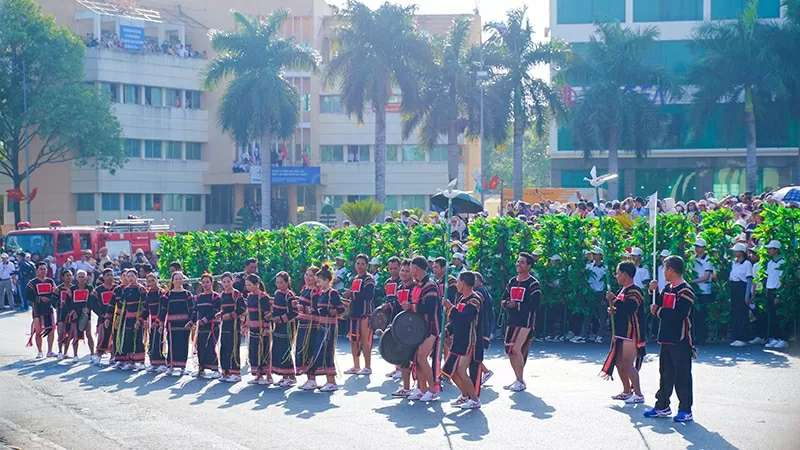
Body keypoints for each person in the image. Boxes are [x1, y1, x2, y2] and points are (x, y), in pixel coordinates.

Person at [644, 255, 696, 423]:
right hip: (666, 337)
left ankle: (685, 409)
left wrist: (658, 311)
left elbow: (679, 314)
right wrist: (653, 292)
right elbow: (658, 302)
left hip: (680, 338)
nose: (664, 272)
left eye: (665, 268)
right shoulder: (668, 287)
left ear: (671, 270)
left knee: (682, 376)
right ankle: (662, 405)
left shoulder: (685, 291)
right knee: (665, 374)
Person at [601, 262, 646, 404]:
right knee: (619, 363)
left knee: (627, 363)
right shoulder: (623, 290)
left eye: (618, 273)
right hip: (621, 332)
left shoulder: (635, 291)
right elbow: (621, 309)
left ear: (625, 274)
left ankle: (638, 394)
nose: (616, 276)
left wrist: (614, 300)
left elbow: (630, 308)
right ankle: (626, 391)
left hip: (631, 332)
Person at [500, 252, 542, 392]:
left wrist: (517, 305)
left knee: (516, 348)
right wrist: (506, 303)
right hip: (512, 320)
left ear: (529, 266)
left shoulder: (533, 284)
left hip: (526, 321)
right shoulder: (512, 281)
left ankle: (520, 380)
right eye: (518, 261)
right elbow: (504, 297)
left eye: (522, 262)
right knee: (509, 350)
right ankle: (517, 379)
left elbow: (535, 305)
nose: (519, 264)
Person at [442, 271, 483, 410]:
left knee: (460, 370)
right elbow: (455, 321)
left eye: (458, 281)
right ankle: (465, 395)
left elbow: (464, 319)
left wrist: (449, 307)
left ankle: (475, 400)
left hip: (469, 341)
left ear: (464, 283)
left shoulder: (475, 300)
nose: (457, 284)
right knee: (450, 371)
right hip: (458, 340)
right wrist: (448, 330)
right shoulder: (461, 299)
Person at [405, 256, 442, 402]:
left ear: (416, 269)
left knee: (421, 357)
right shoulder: (417, 285)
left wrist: (412, 306)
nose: (409, 271)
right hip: (418, 328)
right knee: (416, 358)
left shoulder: (430, 286)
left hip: (431, 327)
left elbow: (429, 307)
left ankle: (432, 390)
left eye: (411, 268)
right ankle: (422, 388)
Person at [303, 265, 346, 392]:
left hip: (330, 327)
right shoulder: (322, 294)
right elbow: (320, 309)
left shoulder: (333, 293)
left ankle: (331, 381)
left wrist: (328, 311)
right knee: (321, 352)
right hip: (322, 327)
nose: (318, 284)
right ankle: (327, 380)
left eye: (319, 281)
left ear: (327, 280)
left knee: (327, 352)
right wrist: (314, 311)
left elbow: (341, 309)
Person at [108, 269, 148, 371]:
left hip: (138, 317)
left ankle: (142, 361)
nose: (130, 278)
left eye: (132, 276)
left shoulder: (141, 289)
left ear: (136, 276)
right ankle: (131, 361)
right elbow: (122, 305)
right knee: (128, 338)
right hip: (127, 318)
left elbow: (145, 305)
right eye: (128, 276)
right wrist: (117, 319)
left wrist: (142, 319)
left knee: (139, 338)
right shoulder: (125, 290)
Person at [343, 254, 375, 376]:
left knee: (364, 339)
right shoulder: (355, 278)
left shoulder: (369, 279)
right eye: (358, 263)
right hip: (355, 312)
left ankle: (367, 366)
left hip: (365, 313)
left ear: (367, 265)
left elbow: (368, 295)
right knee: (353, 339)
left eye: (362, 264)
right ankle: (356, 366)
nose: (360, 266)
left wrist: (352, 294)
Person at [159, 271, 193, 376]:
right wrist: (161, 324)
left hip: (184, 324)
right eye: (176, 279)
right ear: (172, 281)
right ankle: (170, 366)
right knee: (172, 345)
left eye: (180, 279)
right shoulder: (168, 295)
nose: (178, 281)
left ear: (183, 280)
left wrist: (191, 322)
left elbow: (192, 309)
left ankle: (183, 367)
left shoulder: (187, 294)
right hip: (171, 324)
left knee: (183, 345)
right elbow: (163, 310)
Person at [189, 274, 221, 378]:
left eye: (208, 282)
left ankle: (215, 369)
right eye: (203, 282)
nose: (205, 284)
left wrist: (206, 319)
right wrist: (191, 322)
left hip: (212, 326)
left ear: (212, 283)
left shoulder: (216, 297)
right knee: (200, 347)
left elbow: (216, 310)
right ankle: (201, 368)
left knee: (210, 346)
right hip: (200, 327)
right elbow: (195, 311)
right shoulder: (198, 298)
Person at [217, 272, 246, 382]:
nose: (226, 284)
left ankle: (236, 373)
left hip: (234, 326)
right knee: (224, 347)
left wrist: (230, 315)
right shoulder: (222, 295)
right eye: (224, 282)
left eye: (228, 281)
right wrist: (220, 314)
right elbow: (223, 309)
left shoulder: (237, 294)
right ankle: (225, 371)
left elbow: (242, 308)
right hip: (224, 325)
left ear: (232, 281)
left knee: (234, 347)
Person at [293, 267, 319, 387]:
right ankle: (309, 378)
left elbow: (315, 309)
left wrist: (302, 308)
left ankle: (312, 379)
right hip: (302, 325)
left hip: (311, 327)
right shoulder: (305, 289)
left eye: (310, 275)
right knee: (302, 350)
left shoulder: (316, 292)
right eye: (306, 274)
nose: (307, 278)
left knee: (309, 350)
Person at [245, 273, 273, 385]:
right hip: (252, 329)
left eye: (250, 285)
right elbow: (248, 313)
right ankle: (258, 375)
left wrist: (266, 328)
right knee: (253, 352)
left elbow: (266, 314)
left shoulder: (263, 297)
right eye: (246, 285)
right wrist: (245, 326)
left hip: (262, 330)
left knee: (264, 352)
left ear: (257, 284)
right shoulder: (250, 296)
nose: (248, 287)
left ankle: (269, 376)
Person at [271, 272, 298, 387]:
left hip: (287, 327)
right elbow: (275, 309)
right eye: (277, 282)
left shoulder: (290, 295)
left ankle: (290, 376)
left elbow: (294, 313)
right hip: (278, 326)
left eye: (281, 282)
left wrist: (281, 319)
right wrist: (272, 316)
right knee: (278, 350)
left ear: (287, 282)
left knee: (285, 351)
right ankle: (285, 376)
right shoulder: (277, 294)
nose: (279, 285)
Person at [26, 262, 58, 358]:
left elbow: (55, 293)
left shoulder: (50, 281)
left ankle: (50, 351)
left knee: (51, 329)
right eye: (41, 269)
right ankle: (40, 351)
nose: (43, 271)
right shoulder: (32, 283)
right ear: (36, 270)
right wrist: (40, 299)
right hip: (37, 310)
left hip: (49, 309)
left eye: (44, 269)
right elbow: (28, 296)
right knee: (38, 330)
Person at [576, 247, 607, 344]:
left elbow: (608, 282)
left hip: (601, 293)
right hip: (591, 293)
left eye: (595, 254)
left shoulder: (605, 268)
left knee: (602, 315)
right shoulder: (589, 266)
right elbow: (582, 273)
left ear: (600, 256)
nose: (593, 256)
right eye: (593, 254)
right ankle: (583, 334)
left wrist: (605, 296)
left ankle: (601, 335)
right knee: (588, 315)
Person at [688, 238, 713, 345]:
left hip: (704, 291)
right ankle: (694, 337)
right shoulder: (693, 259)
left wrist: (692, 281)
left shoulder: (708, 260)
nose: (697, 249)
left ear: (703, 248)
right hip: (695, 290)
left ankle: (702, 337)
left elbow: (706, 277)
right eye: (696, 247)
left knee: (702, 315)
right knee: (694, 315)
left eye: (699, 247)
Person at [728, 243, 753, 347]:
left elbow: (749, 280)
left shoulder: (747, 264)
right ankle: (736, 336)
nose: (734, 252)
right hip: (734, 287)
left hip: (741, 288)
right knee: (735, 313)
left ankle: (742, 337)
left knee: (742, 313)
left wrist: (747, 296)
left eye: (736, 251)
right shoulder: (734, 263)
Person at [763, 240, 787, 349]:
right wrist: (767, 289)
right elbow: (769, 277)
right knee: (772, 315)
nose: (768, 251)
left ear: (776, 250)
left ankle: (783, 339)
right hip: (771, 290)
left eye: (770, 249)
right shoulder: (770, 263)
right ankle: (775, 338)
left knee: (779, 316)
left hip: (778, 291)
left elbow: (782, 279)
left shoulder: (782, 262)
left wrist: (779, 295)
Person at [91, 268, 117, 365]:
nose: (110, 277)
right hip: (103, 317)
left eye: (111, 275)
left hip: (115, 317)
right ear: (103, 277)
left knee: (114, 336)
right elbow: (92, 304)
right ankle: (98, 354)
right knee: (103, 336)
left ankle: (113, 356)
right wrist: (101, 313)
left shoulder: (117, 288)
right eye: (108, 275)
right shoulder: (98, 290)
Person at [474, 273, 495, 385]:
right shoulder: (483, 290)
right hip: (484, 324)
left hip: (480, 325)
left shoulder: (479, 292)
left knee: (473, 353)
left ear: (479, 281)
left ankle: (484, 372)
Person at [144, 273, 166, 373]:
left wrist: (158, 321)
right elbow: (146, 308)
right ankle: (153, 362)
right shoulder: (148, 294)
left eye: (153, 280)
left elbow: (163, 308)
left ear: (156, 280)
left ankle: (162, 363)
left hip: (160, 320)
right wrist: (142, 320)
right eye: (149, 281)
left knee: (159, 340)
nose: (151, 283)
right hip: (151, 320)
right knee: (152, 340)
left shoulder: (161, 293)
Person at [70, 270, 94, 362]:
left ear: (86, 278)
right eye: (79, 277)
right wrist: (73, 311)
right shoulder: (72, 289)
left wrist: (89, 308)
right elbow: (69, 302)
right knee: (76, 335)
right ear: (76, 278)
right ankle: (75, 355)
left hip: (86, 314)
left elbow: (92, 301)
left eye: (82, 277)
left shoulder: (90, 288)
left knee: (89, 334)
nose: (81, 278)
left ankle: (92, 354)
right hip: (76, 315)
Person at [55, 269, 74, 360]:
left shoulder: (74, 288)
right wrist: (58, 305)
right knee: (61, 332)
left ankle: (66, 352)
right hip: (61, 313)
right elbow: (53, 300)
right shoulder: (59, 289)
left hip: (71, 314)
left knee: (69, 333)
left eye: (70, 275)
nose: (69, 277)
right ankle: (59, 351)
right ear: (63, 277)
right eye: (67, 275)